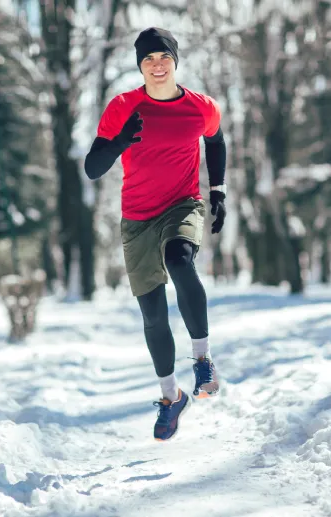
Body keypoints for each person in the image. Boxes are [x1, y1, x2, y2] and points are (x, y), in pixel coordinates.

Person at [84, 27, 227, 442]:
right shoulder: (123, 106)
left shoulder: (200, 107)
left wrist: (216, 191)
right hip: (137, 217)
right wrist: (120, 142)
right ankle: (171, 397)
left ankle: (203, 361)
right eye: (148, 59)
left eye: (164, 56)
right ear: (140, 65)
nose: (157, 64)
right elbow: (93, 168)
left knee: (180, 260)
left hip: (183, 203)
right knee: (153, 314)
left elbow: (216, 142)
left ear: (175, 60)